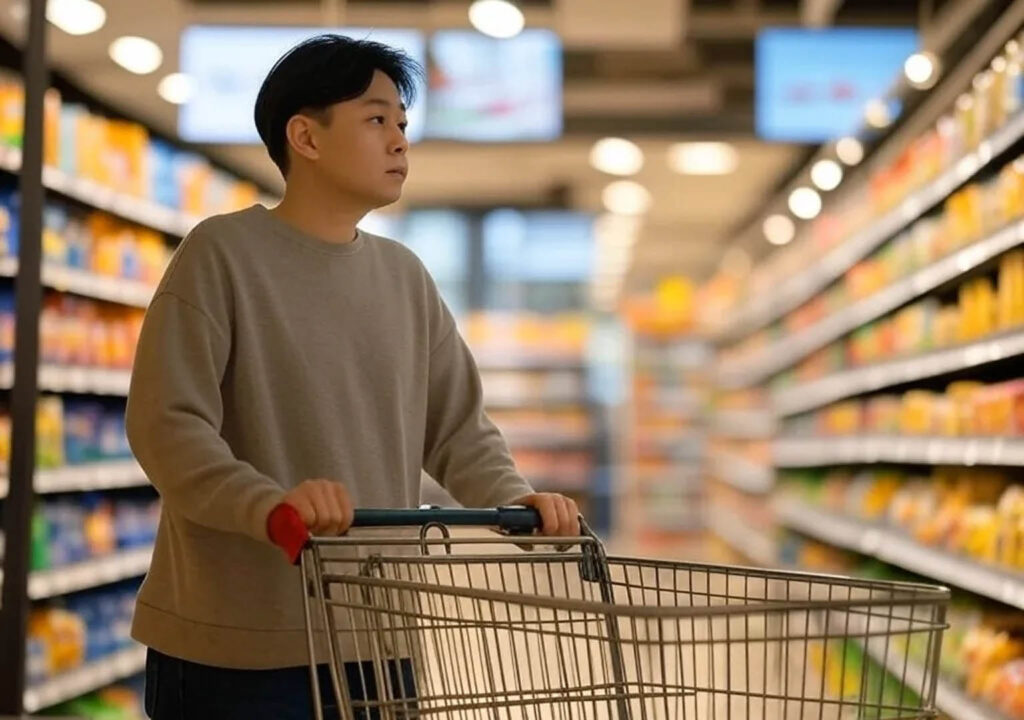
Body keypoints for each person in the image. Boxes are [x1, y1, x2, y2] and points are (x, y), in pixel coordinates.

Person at [125, 34, 581, 720]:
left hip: (378, 637)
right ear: (305, 136)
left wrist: (517, 501)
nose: (400, 140)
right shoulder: (220, 255)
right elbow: (167, 426)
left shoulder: (405, 278)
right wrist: (269, 506)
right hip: (238, 644)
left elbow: (458, 429)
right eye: (376, 119)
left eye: (402, 123)